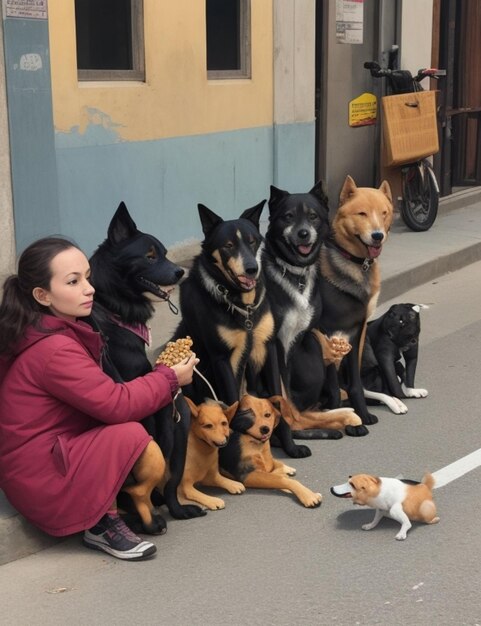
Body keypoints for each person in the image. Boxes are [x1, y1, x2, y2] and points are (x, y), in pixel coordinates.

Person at [0, 236, 199, 561]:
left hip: (46, 460)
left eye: (88, 277)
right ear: (42, 295)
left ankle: (109, 507)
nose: (89, 289)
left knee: (123, 428)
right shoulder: (55, 349)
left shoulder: (50, 330)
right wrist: (169, 378)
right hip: (41, 479)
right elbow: (116, 404)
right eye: (73, 282)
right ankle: (102, 525)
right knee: (130, 434)